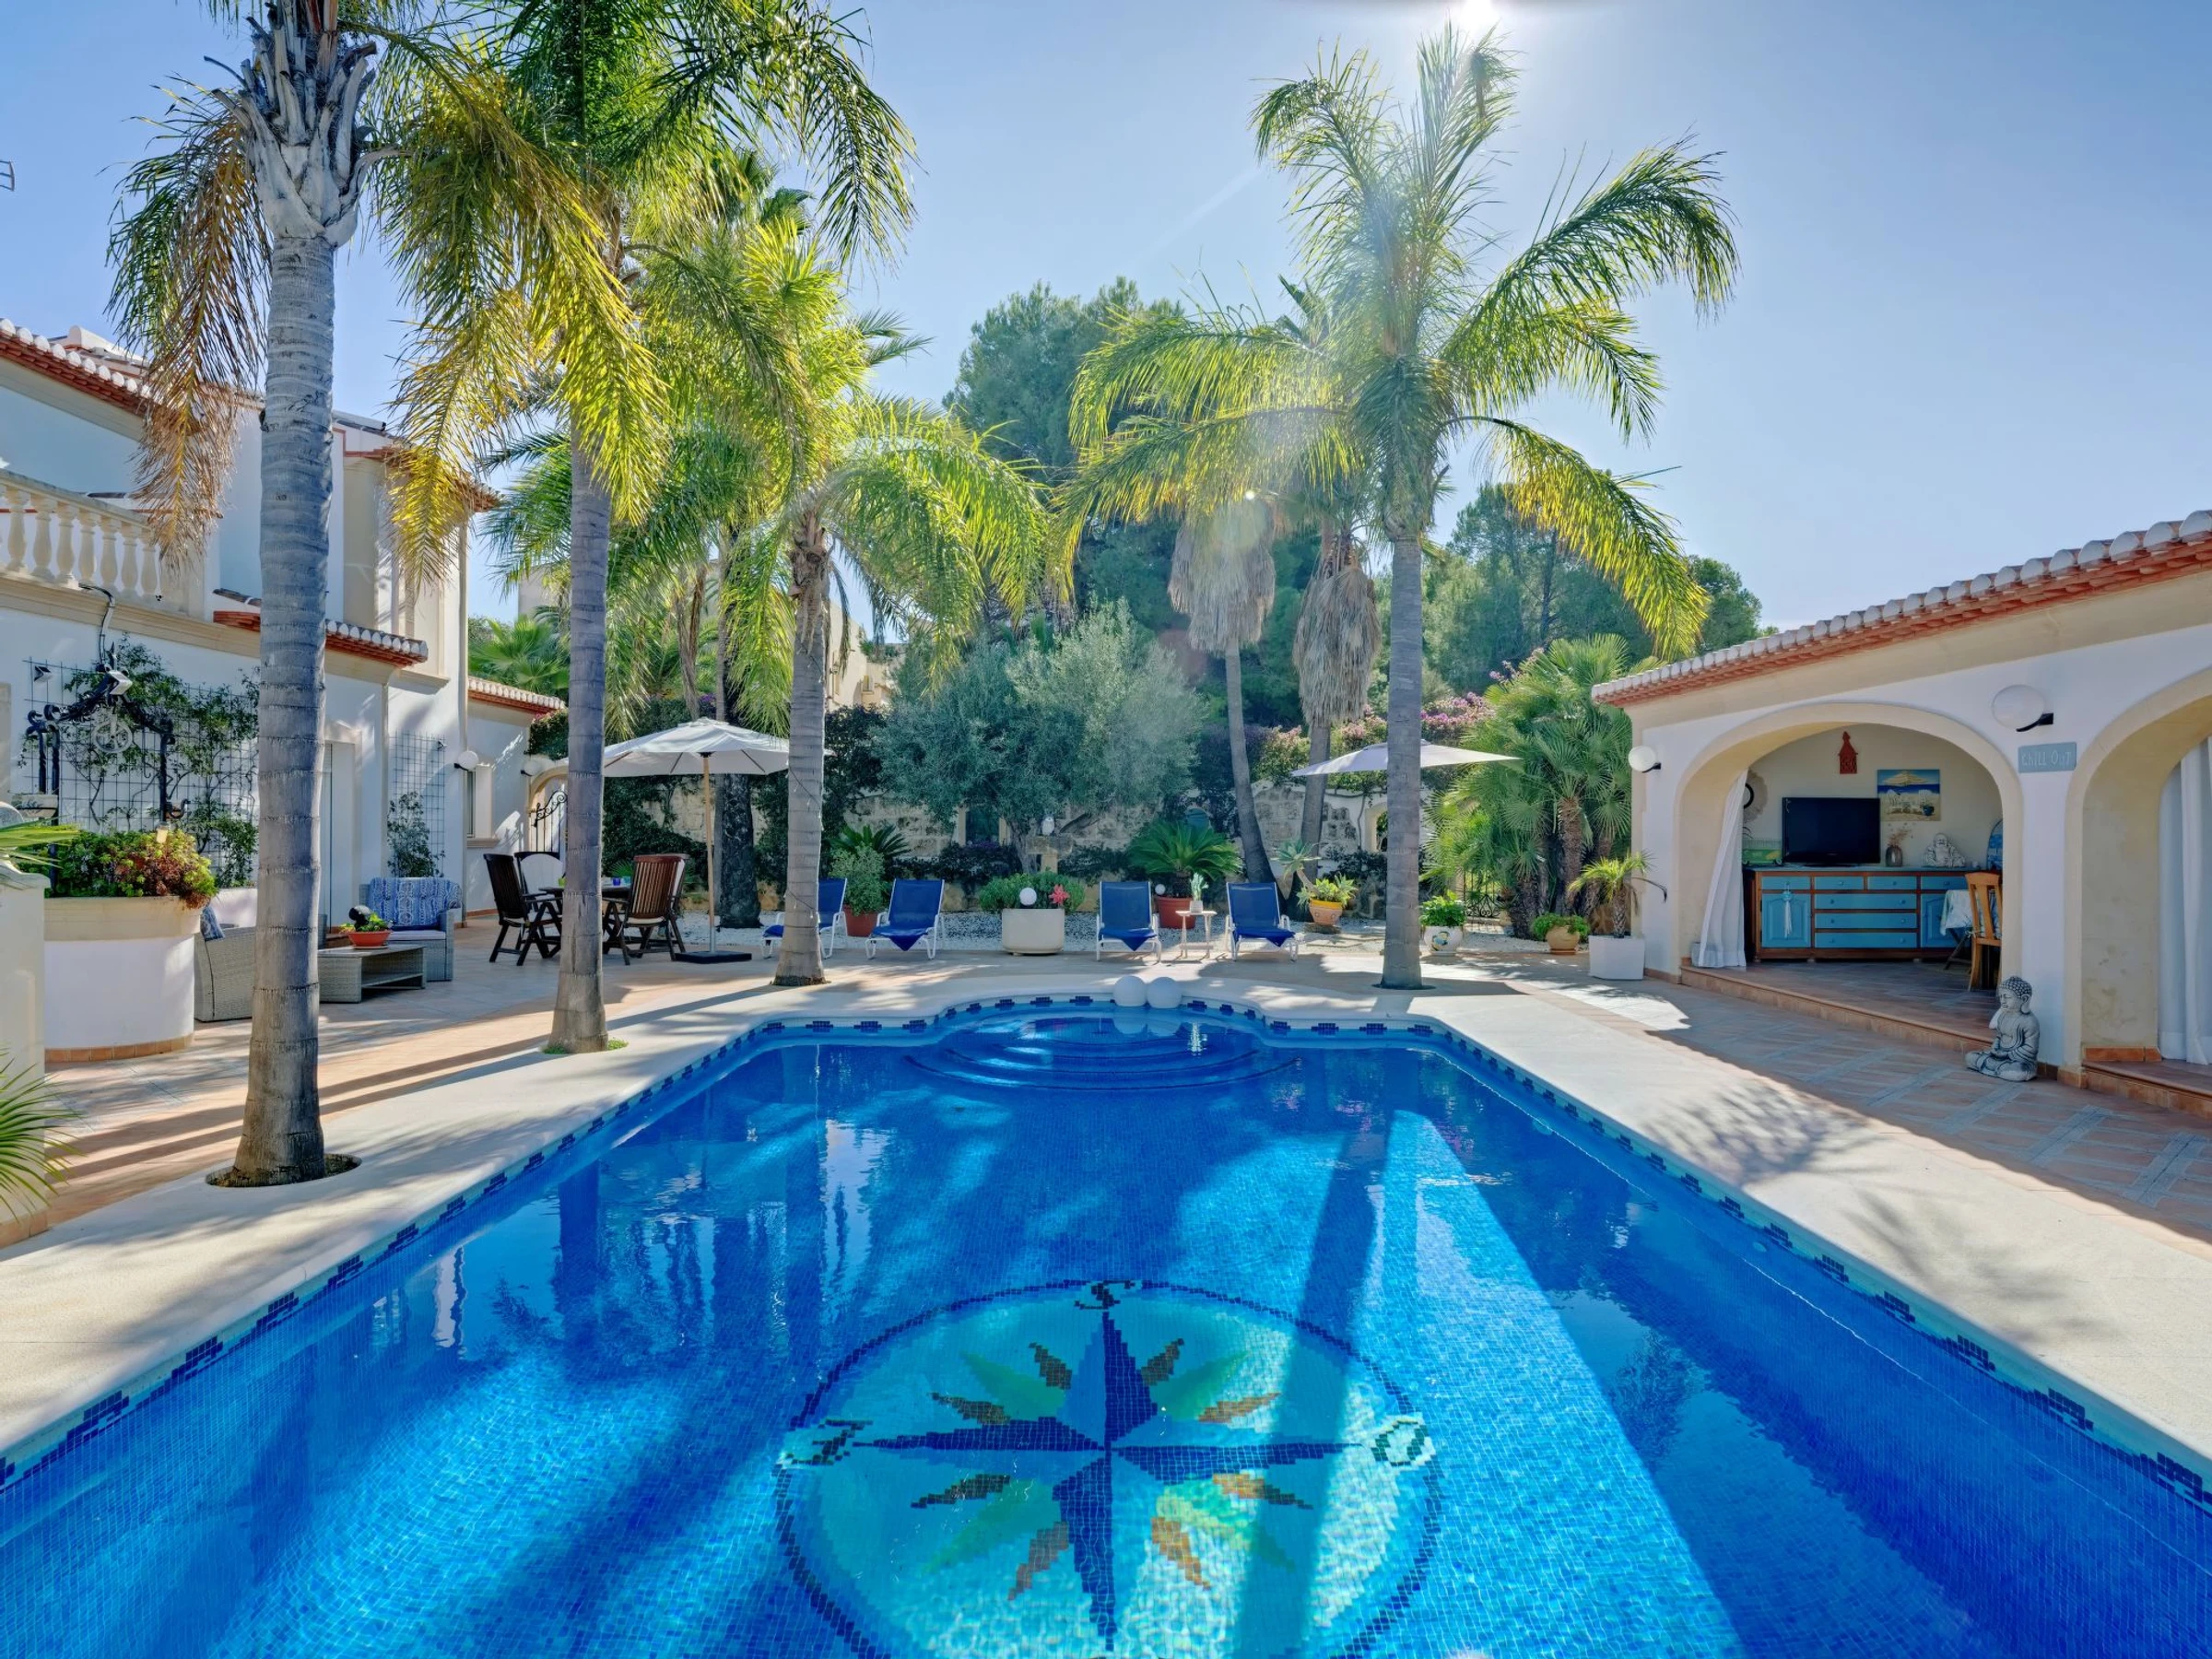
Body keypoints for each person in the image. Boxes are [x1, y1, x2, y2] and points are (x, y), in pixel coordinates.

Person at [1966, 976, 2040, 1081]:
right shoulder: (2003, 1016)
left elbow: (2031, 1048)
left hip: (2017, 1060)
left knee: (2019, 1071)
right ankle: (1998, 1069)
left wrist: (2008, 1054)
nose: (2003, 1001)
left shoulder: (2030, 1021)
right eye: (2001, 997)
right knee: (1970, 1057)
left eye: (2007, 997)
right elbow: (1999, 1036)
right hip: (1998, 1055)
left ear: (2024, 999)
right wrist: (1995, 1048)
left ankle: (2001, 1069)